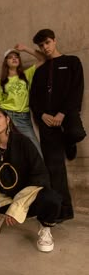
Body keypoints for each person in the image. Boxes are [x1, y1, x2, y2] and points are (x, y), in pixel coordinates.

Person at [0, 106, 61, 252]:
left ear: (7, 120)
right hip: (2, 197)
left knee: (53, 199)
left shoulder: (23, 142)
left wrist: (18, 206)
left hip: (26, 197)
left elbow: (40, 175)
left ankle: (45, 228)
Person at [30, 29, 86, 222]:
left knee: (77, 132)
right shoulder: (40, 71)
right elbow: (34, 98)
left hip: (67, 114)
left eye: (47, 43)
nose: (45, 48)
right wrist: (42, 115)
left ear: (54, 41)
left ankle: (69, 142)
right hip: (47, 121)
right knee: (55, 167)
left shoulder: (72, 62)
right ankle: (64, 209)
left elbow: (77, 90)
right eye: (41, 45)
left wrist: (63, 113)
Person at [0, 44, 45, 156]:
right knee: (10, 150)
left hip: (23, 118)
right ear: (6, 62)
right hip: (6, 116)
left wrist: (25, 48)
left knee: (35, 150)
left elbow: (43, 59)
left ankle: (40, 172)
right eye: (11, 57)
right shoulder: (0, 81)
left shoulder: (26, 74)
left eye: (16, 57)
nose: (14, 58)